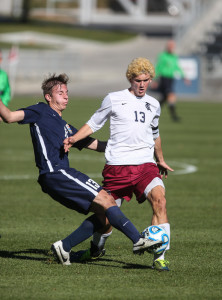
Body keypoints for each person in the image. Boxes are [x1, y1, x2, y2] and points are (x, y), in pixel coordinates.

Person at [0, 73, 162, 266]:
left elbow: (95, 144)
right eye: (60, 93)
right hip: (56, 173)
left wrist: (127, 143)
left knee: (104, 215)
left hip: (58, 177)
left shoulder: (65, 127)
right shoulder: (40, 110)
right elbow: (9, 116)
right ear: (48, 97)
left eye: (67, 92)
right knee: (108, 200)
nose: (65, 96)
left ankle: (65, 246)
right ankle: (138, 240)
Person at [63, 58, 174, 271]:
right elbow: (94, 123)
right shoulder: (114, 99)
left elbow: (155, 135)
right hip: (118, 167)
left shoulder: (154, 104)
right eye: (137, 80)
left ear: (151, 80)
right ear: (130, 79)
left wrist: (160, 159)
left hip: (145, 166)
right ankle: (95, 249)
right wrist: (74, 139)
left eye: (146, 80)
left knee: (160, 200)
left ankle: (159, 257)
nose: (142, 84)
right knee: (105, 216)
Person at [151, 39, 189, 122]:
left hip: (171, 79)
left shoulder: (174, 56)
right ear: (167, 47)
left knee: (165, 97)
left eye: (173, 46)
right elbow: (158, 68)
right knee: (171, 95)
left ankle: (152, 112)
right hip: (164, 78)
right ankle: (174, 116)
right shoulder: (162, 56)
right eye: (171, 46)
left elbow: (177, 67)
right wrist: (155, 80)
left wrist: (184, 77)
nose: (172, 48)